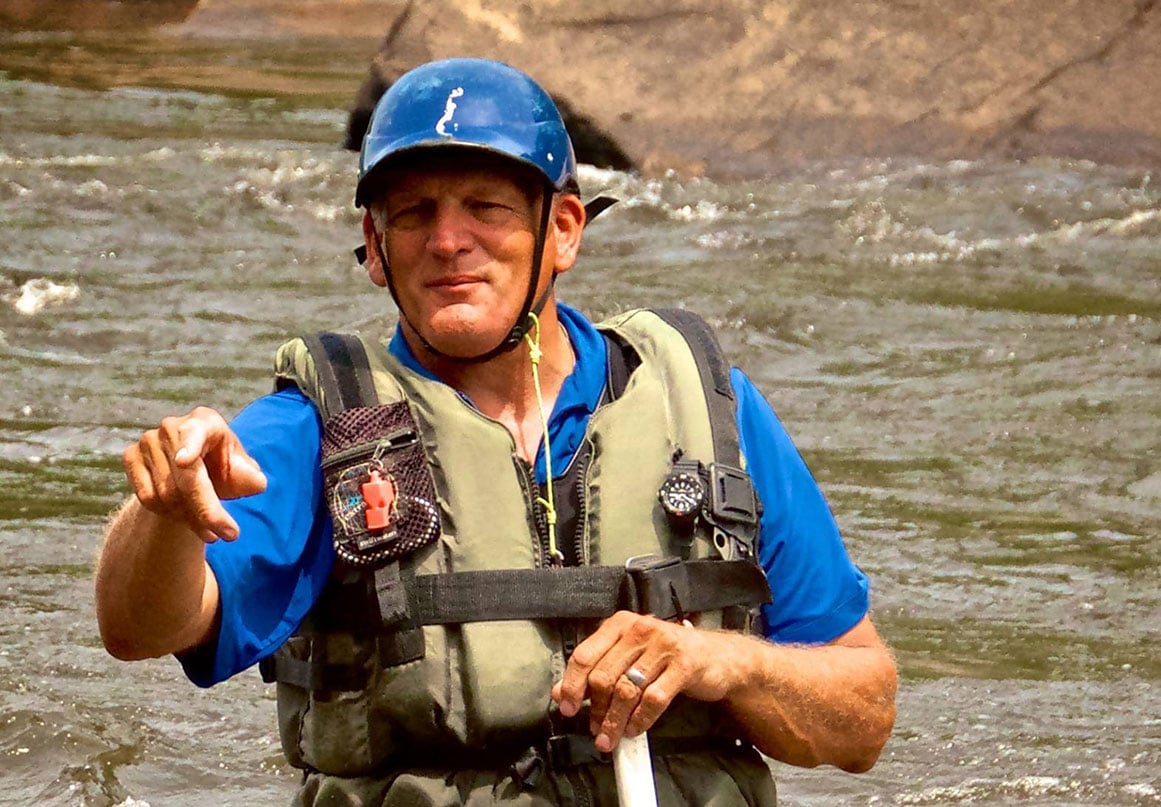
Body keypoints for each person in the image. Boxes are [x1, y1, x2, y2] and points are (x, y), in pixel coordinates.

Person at [94, 58, 897, 806]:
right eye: (414, 212)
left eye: (488, 206)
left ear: (564, 230)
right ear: (375, 247)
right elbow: (140, 627)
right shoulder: (320, 428)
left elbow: (864, 716)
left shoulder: (706, 407)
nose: (449, 240)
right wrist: (164, 515)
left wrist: (724, 661)